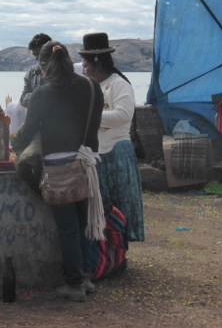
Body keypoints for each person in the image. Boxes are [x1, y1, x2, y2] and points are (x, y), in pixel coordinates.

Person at [14, 41, 104, 302]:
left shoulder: (43, 94)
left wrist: (16, 146)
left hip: (57, 167)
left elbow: (28, 130)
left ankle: (74, 283)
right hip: (88, 163)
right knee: (83, 224)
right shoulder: (91, 86)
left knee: (67, 228)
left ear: (43, 65)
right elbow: (94, 126)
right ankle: (85, 277)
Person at [79, 32, 145, 242]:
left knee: (120, 203)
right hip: (98, 153)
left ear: (97, 64)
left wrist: (90, 117)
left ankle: (120, 249)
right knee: (101, 204)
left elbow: (124, 115)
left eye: (86, 65)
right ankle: (104, 250)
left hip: (117, 151)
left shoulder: (118, 84)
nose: (83, 69)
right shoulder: (90, 86)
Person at [20, 33, 51, 108]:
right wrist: (40, 95)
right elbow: (23, 100)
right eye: (35, 55)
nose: (37, 58)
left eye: (39, 54)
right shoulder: (32, 72)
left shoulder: (63, 71)